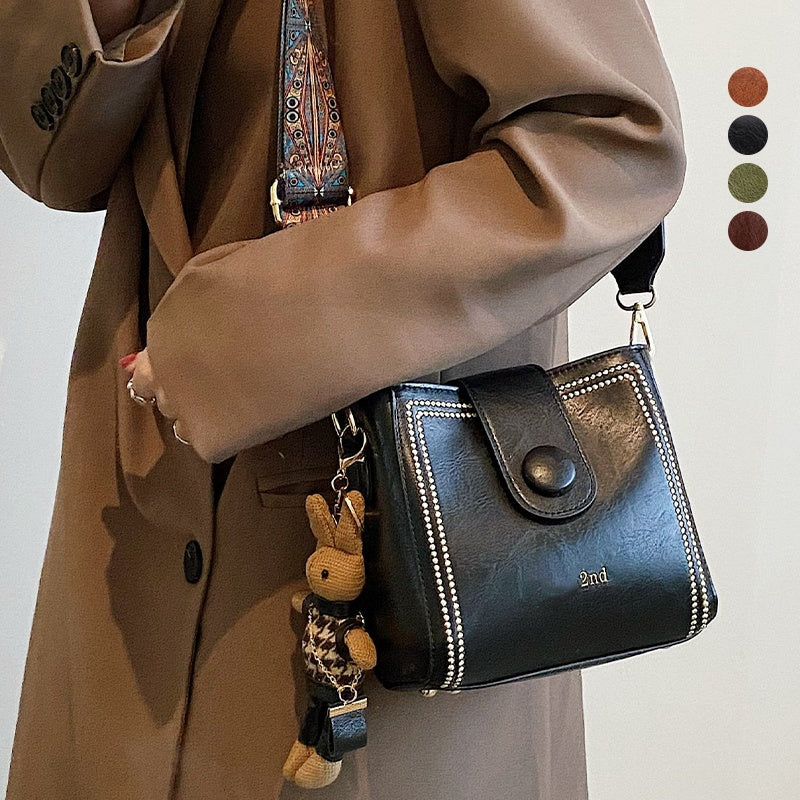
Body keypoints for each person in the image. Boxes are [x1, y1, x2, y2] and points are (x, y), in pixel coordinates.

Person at [0, 0, 686, 797]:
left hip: (393, 546)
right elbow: (57, 163)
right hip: (135, 534)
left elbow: (613, 146)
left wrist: (245, 334)